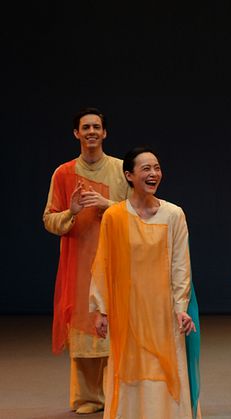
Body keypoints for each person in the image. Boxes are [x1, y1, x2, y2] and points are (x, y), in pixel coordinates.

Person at [90, 147, 201, 418]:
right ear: (129, 175)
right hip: (129, 311)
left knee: (166, 367)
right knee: (130, 367)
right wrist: (100, 309)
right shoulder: (115, 217)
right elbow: (103, 264)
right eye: (146, 169)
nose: (154, 174)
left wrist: (180, 308)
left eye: (157, 168)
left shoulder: (174, 214)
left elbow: (180, 266)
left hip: (164, 311)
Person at [43, 107, 129, 414]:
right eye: (85, 127)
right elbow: (49, 220)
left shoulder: (121, 169)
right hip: (79, 263)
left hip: (116, 261)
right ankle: (88, 398)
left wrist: (110, 205)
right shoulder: (63, 173)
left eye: (96, 127)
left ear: (104, 133)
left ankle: (118, 393)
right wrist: (72, 211)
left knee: (116, 329)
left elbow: (141, 210)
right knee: (83, 330)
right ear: (77, 134)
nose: (91, 132)